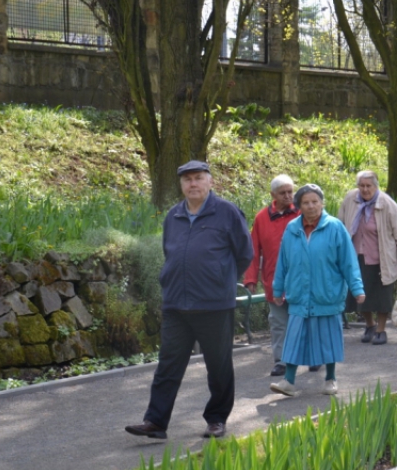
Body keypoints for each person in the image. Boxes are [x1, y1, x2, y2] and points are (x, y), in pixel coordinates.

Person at [125, 160, 253, 440]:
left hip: (214, 305)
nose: (192, 184)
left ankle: (217, 418)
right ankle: (156, 421)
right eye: (187, 180)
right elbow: (170, 252)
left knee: (218, 365)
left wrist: (221, 279)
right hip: (176, 303)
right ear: (181, 185)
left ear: (210, 182)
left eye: (198, 178)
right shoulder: (173, 216)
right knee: (167, 364)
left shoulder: (227, 213)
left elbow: (245, 253)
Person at [269, 184, 365, 397]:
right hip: (299, 295)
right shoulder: (292, 229)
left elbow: (348, 262)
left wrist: (357, 288)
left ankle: (330, 379)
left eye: (315, 202)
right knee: (294, 339)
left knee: (328, 339)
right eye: (306, 202)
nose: (311, 206)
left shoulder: (335, 227)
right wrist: (278, 289)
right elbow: (283, 262)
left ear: (322, 203)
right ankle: (289, 382)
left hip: (326, 294)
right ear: (299, 205)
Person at [243, 175, 320, 376]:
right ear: (273, 195)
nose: (288, 196)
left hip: (303, 278)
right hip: (273, 279)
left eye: (290, 192)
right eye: (283, 193)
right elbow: (253, 249)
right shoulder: (261, 218)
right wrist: (250, 278)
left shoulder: (304, 213)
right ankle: (282, 361)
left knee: (309, 318)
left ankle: (314, 356)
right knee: (278, 323)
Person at [338, 171, 397, 345]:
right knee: (360, 294)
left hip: (382, 258)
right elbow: (339, 224)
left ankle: (381, 329)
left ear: (376, 186)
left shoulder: (387, 204)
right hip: (356, 256)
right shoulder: (350, 199)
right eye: (361, 186)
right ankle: (369, 325)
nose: (364, 189)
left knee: (381, 296)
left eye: (368, 186)